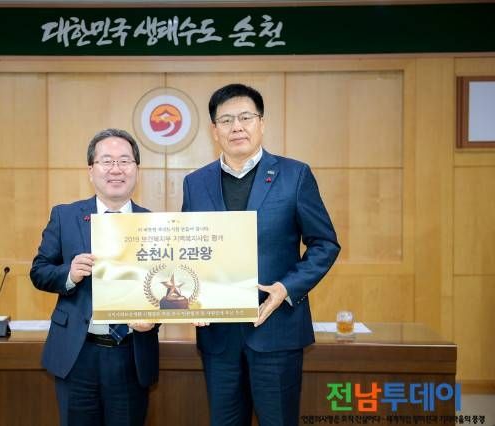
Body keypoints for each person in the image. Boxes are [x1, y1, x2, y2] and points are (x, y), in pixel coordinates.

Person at [182, 84, 340, 426]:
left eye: (245, 117)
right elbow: (188, 251)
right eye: (226, 120)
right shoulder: (195, 183)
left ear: (261, 123)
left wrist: (286, 288)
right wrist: (191, 298)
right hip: (218, 338)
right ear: (214, 130)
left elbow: (324, 243)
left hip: (277, 330)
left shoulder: (295, 175)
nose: (236, 127)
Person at [30, 128, 159, 426]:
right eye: (106, 161)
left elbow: (163, 284)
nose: (116, 169)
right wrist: (69, 274)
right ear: (91, 170)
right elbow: (39, 271)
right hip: (77, 354)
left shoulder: (155, 223)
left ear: (137, 170)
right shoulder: (65, 216)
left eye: (124, 161)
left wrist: (155, 318)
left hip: (131, 354)